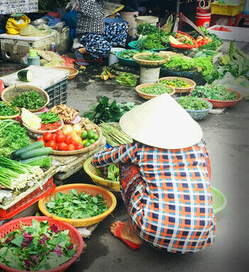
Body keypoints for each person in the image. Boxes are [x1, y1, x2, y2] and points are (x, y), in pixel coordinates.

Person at [92, 94, 216, 253]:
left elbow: (98, 159)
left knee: (126, 166)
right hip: (203, 234)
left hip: (154, 230)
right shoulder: (200, 148)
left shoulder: (139, 150)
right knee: (204, 165)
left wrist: (103, 170)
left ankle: (131, 233)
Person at [74, 0, 128, 65]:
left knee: (122, 26)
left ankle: (106, 51)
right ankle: (81, 50)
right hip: (87, 34)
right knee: (105, 47)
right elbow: (87, 10)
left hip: (100, 31)